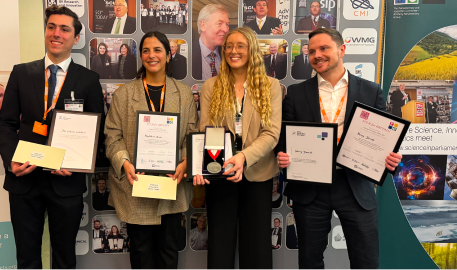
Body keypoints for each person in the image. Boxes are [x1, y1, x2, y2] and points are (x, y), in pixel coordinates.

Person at [276, 28, 402, 268]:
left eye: (324, 48)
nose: (317, 55)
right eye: (312, 51)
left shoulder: (370, 90)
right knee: (310, 261)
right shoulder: (295, 93)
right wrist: (282, 155)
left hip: (355, 185)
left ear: (342, 49)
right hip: (310, 188)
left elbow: (384, 135)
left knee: (365, 260)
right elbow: (284, 138)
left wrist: (391, 156)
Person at [0, 5, 105, 269]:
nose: (57, 33)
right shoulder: (22, 73)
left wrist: (76, 163)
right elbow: (6, 124)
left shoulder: (89, 80)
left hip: (65, 182)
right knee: (27, 257)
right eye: (51, 27)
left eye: (64, 29)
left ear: (75, 38)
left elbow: (96, 131)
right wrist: (11, 161)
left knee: (64, 257)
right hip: (24, 179)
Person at [105, 31, 198, 268]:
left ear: (168, 56)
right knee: (140, 251)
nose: (151, 55)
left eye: (158, 50)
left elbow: (192, 136)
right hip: (136, 183)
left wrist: (186, 162)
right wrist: (125, 163)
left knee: (169, 250)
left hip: (171, 183)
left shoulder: (184, 93)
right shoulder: (124, 95)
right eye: (146, 50)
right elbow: (112, 137)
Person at [193, 26, 282, 268]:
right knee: (220, 245)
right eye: (229, 46)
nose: (233, 51)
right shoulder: (212, 86)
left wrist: (243, 157)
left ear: (251, 50)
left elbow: (272, 133)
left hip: (258, 173)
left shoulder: (270, 86)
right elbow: (207, 130)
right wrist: (206, 166)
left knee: (257, 247)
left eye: (240, 46)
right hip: (221, 173)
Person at [192, 4, 230, 80]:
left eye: (227, 24)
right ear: (203, 25)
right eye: (219, 23)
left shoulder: (229, 54)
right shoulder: (188, 55)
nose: (226, 29)